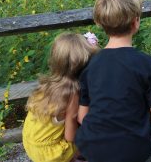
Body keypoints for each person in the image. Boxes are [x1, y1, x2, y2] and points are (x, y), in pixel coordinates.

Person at [75, 0, 151, 162]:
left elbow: (82, 117)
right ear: (136, 22)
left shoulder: (91, 64)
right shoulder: (147, 64)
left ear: (100, 23)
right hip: (134, 151)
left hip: (94, 149)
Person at [23, 32, 99, 162]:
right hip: (50, 154)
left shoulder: (47, 84)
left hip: (30, 143)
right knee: (88, 135)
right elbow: (70, 137)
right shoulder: (72, 94)